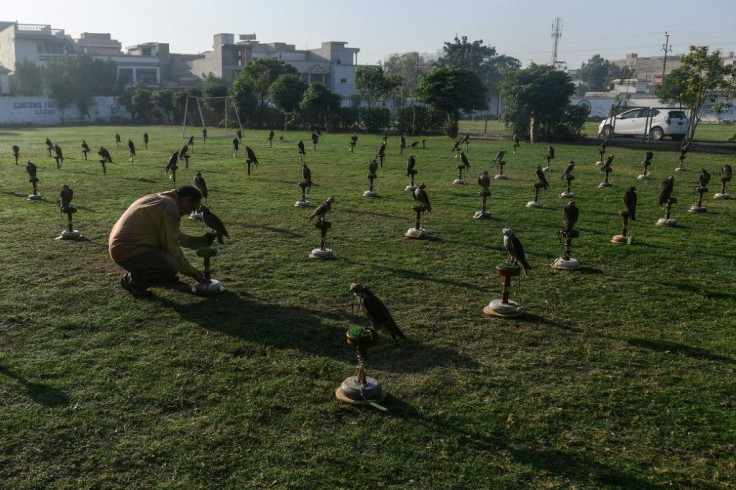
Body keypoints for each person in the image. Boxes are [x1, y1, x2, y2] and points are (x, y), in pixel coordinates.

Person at [109, 186, 214, 298]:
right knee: (171, 264)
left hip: (125, 246)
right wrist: (192, 271)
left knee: (168, 259)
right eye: (192, 209)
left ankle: (165, 279)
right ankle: (134, 282)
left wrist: (194, 242)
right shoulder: (169, 206)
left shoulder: (165, 199)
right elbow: (171, 246)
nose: (190, 213)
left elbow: (170, 234)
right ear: (187, 200)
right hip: (126, 251)